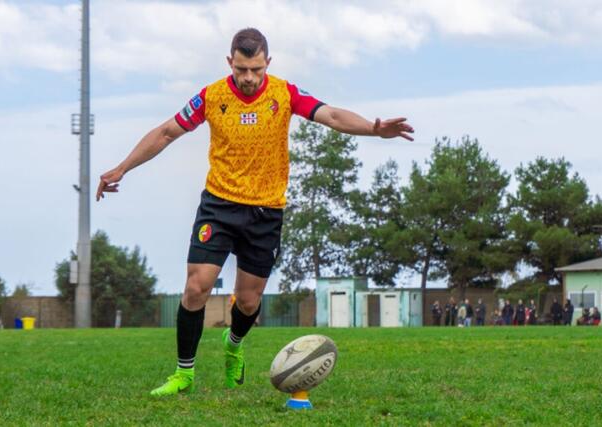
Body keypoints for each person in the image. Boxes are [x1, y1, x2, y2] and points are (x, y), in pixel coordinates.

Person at [96, 28, 414, 397]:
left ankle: (233, 345)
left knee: (248, 302)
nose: (249, 77)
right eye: (241, 69)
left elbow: (331, 115)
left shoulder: (284, 93)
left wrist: (374, 129)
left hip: (265, 211)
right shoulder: (211, 97)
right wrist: (123, 167)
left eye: (256, 70)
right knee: (196, 286)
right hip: (219, 205)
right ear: (229, 62)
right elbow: (167, 132)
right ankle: (184, 374)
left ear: (268, 64)